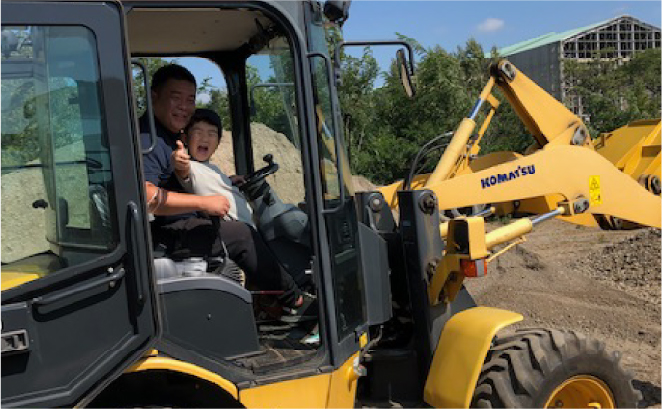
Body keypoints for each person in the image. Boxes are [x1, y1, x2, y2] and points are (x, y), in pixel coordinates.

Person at [140, 64, 314, 321]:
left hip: (175, 224)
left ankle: (265, 297)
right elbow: (145, 195)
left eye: (190, 100)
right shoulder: (148, 140)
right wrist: (204, 202)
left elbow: (177, 178)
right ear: (154, 96)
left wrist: (227, 181)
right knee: (242, 234)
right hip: (163, 236)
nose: (184, 107)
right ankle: (295, 300)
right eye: (175, 98)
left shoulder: (166, 133)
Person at [171, 108, 254, 228]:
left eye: (212, 134)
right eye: (198, 133)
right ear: (185, 138)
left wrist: (229, 180)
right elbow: (183, 171)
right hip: (238, 229)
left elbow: (209, 181)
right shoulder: (190, 166)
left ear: (218, 142)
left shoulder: (212, 168)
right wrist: (178, 160)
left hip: (250, 223)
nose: (205, 139)